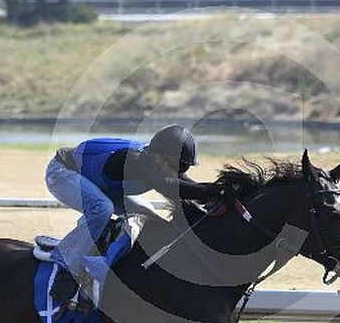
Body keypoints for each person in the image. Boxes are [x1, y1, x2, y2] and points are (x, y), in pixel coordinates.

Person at [45, 125, 229, 304]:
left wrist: (218, 196)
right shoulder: (135, 161)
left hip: (99, 183)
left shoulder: (158, 160)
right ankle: (66, 268)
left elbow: (188, 186)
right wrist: (214, 190)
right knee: (102, 209)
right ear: (159, 158)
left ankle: (118, 261)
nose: (180, 173)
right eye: (178, 167)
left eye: (184, 168)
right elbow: (170, 187)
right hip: (61, 172)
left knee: (149, 215)